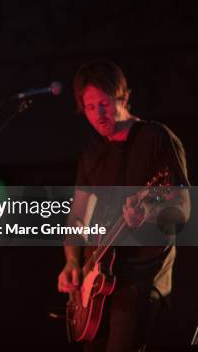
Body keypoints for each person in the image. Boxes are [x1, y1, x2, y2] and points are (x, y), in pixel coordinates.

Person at [57, 59, 190, 352]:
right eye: (90, 107)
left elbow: (182, 207)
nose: (98, 114)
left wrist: (148, 211)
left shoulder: (156, 138)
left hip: (141, 274)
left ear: (123, 96)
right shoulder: (92, 151)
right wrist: (72, 262)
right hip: (98, 279)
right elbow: (77, 215)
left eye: (104, 103)